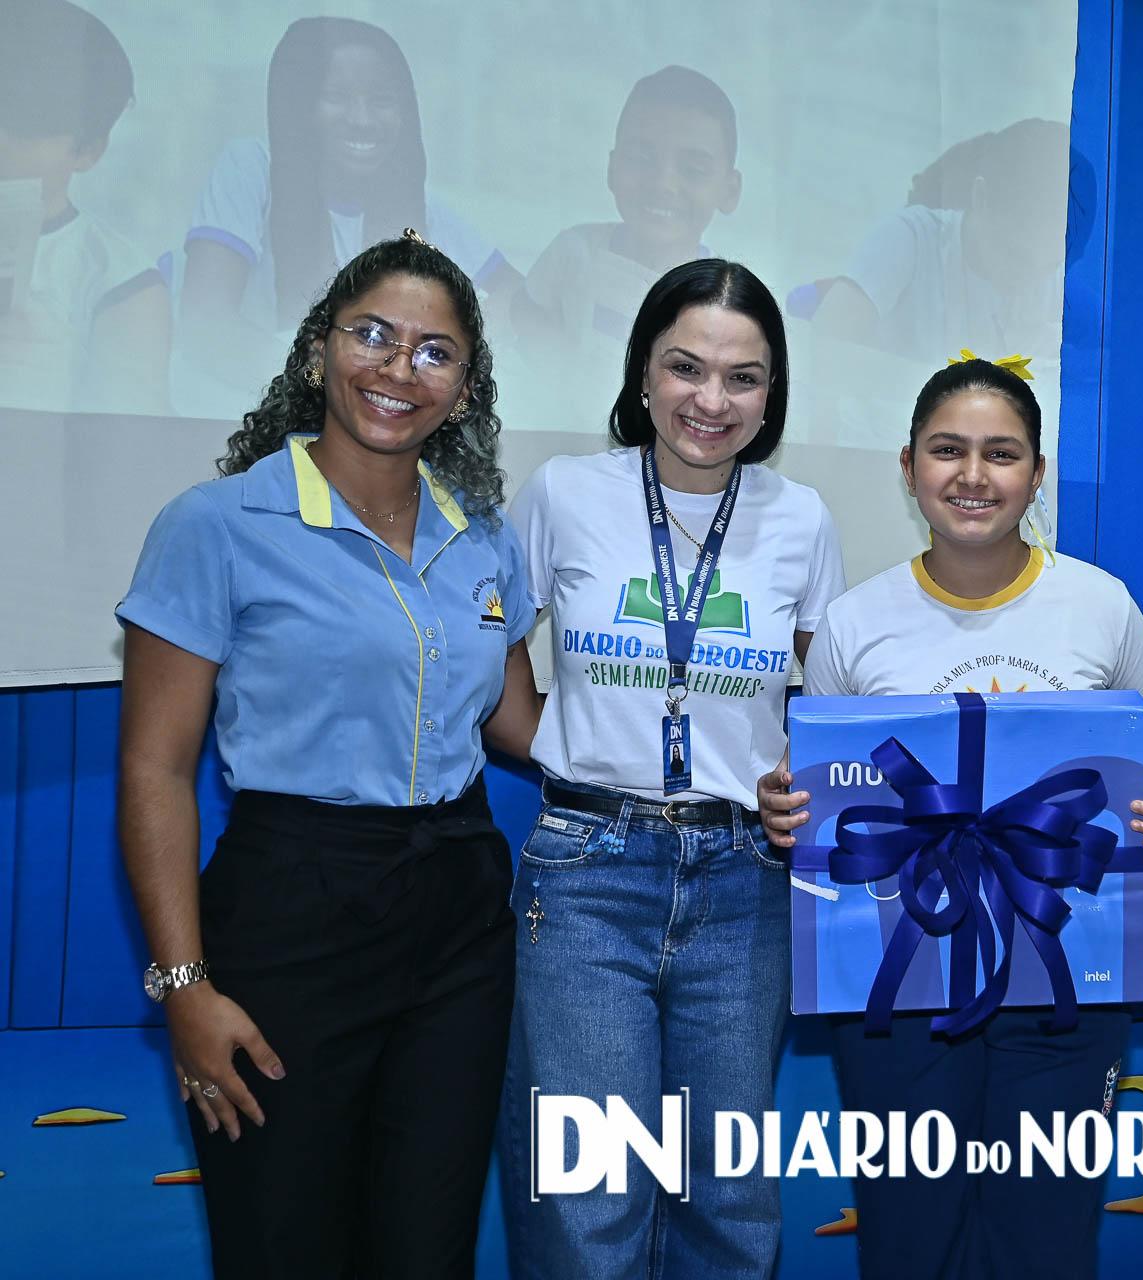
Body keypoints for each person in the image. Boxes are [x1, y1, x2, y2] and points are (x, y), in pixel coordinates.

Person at [116, 232, 540, 1278]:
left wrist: (705, 744)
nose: (400, 369)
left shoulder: (483, 535)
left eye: (435, 352)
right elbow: (154, 771)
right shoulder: (216, 525)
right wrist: (185, 987)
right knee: (283, 1244)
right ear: (319, 350)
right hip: (290, 914)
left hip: (459, 925)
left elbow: (523, 725)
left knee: (426, 1249)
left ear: (465, 388)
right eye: (372, 335)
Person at [759, 357, 1143, 1280]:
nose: (974, 475)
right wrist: (783, 805)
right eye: (948, 450)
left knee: (1048, 1235)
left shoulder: (1101, 605)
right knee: (908, 1235)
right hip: (897, 981)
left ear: (1037, 473)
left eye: (1002, 453)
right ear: (909, 465)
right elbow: (812, 788)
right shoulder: (854, 622)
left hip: (1066, 973)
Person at [499, 257, 845, 1279]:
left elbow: (828, 697)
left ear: (772, 395)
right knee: (585, 1190)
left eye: (744, 377)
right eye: (685, 367)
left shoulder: (801, 518)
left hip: (746, 881)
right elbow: (495, 652)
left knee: (729, 1194)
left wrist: (793, 780)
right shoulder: (565, 493)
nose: (711, 399)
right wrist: (564, 750)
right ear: (642, 372)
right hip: (587, 871)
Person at [173, 17, 521, 418]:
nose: (362, 119)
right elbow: (205, 324)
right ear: (302, 106)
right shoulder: (251, 168)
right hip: (249, 418)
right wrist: (339, 382)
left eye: (382, 101)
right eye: (337, 97)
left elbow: (517, 302)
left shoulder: (422, 207)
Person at [514, 63, 743, 421]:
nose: (663, 184)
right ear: (612, 167)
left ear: (729, 190)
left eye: (693, 169)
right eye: (642, 158)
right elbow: (526, 322)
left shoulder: (722, 297)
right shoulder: (574, 253)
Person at [0, 0, 167, 414]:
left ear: (88, 150)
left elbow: (129, 437)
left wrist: (47, 384)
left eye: (25, 129)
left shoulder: (120, 281)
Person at [809, 120, 1069, 364]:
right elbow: (823, 349)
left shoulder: (1057, 281)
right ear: (980, 198)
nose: (1029, 282)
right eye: (1016, 257)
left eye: (1050, 265)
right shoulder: (909, 240)